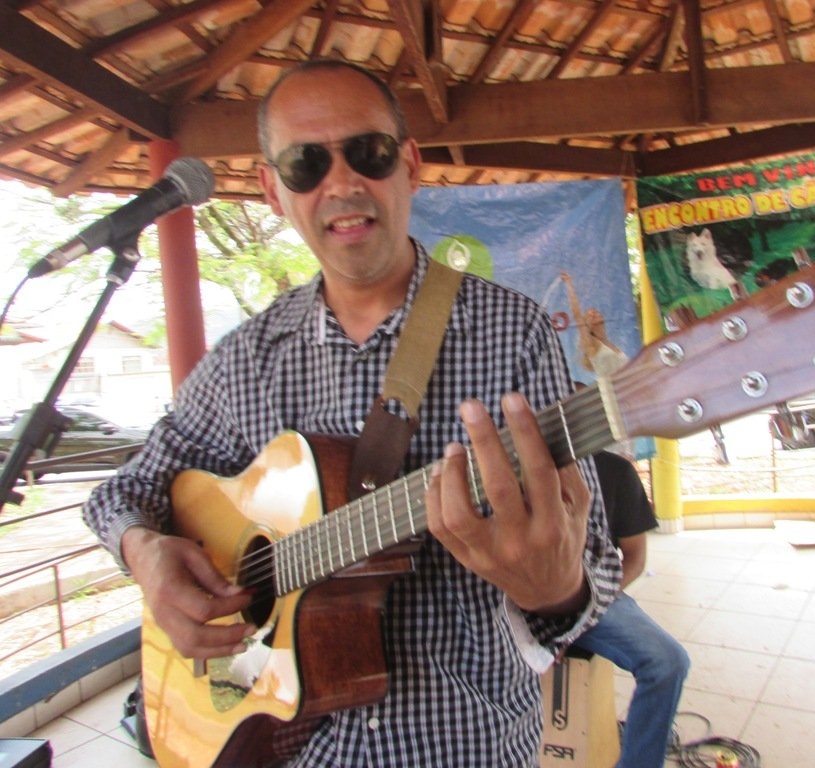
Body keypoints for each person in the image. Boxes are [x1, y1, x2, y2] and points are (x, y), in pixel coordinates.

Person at [83, 60, 621, 766]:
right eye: (306, 164)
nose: (341, 184)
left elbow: (597, 562)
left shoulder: (514, 334)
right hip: (288, 747)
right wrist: (145, 553)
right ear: (273, 191)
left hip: (466, 747)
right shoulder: (244, 360)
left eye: (368, 152)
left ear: (409, 165)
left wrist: (556, 591)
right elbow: (123, 491)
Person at [572, 450, 690, 768]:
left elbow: (635, 560)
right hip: (514, 602)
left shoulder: (615, 471)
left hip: (596, 596)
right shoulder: (508, 464)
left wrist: (587, 607)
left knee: (668, 662)